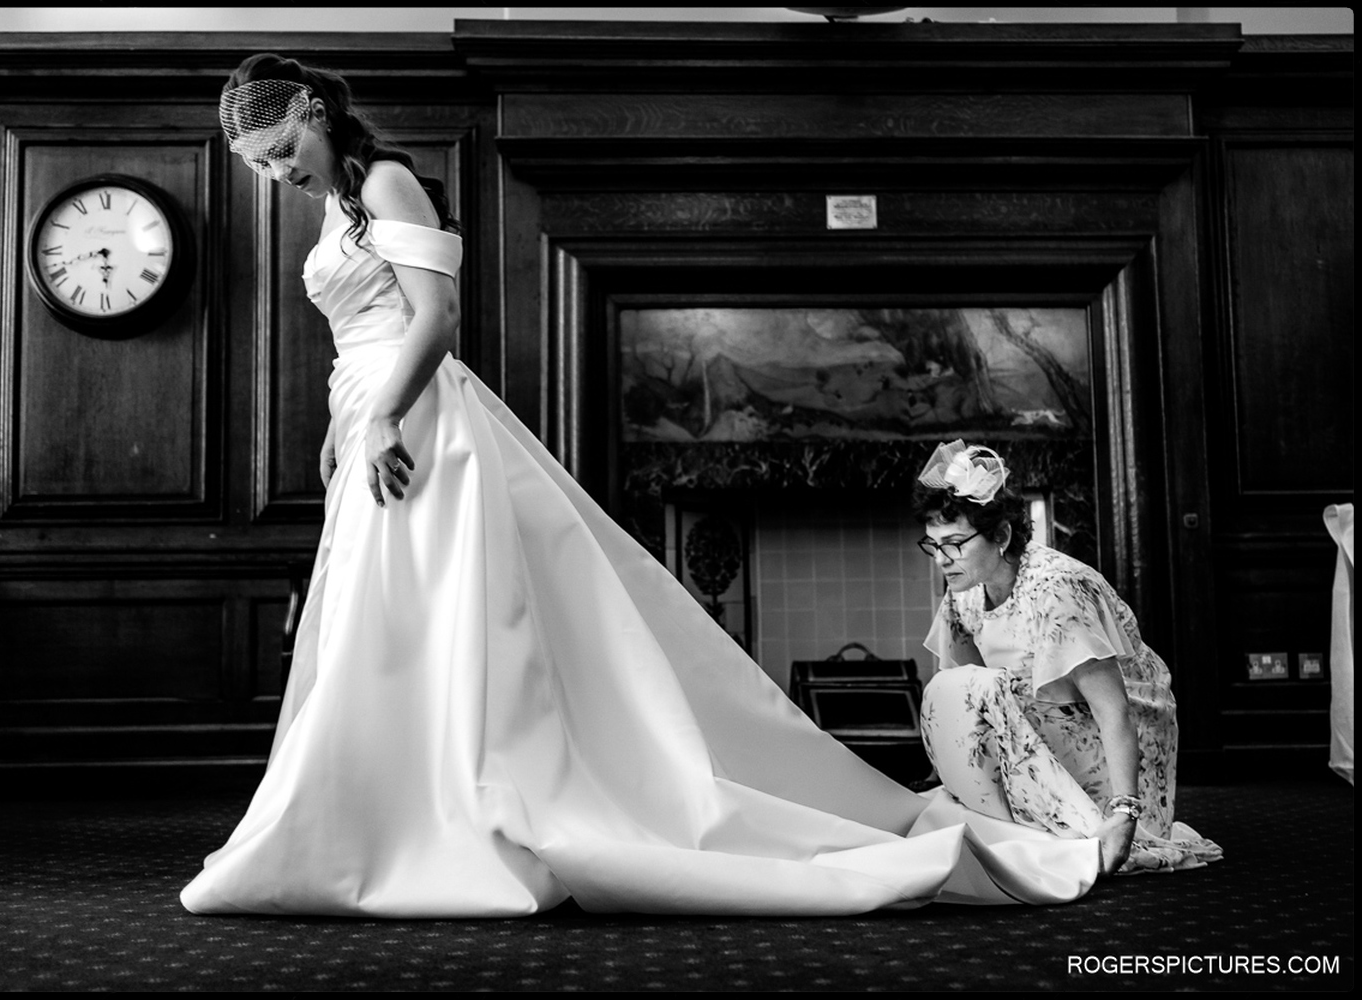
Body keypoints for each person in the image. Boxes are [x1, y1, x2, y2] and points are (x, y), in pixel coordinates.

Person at [181, 54, 1104, 918]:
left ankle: (451, 814)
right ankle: (387, 816)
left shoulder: (383, 180)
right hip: (376, 414)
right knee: (381, 625)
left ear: (313, 113)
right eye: (259, 166)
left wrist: (381, 415)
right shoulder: (337, 202)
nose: (275, 175)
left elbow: (438, 316)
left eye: (280, 153)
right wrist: (344, 426)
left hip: (417, 418)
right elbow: (364, 329)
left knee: (433, 616)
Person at [912, 440, 1222, 875]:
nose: (943, 559)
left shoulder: (1058, 591)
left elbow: (1113, 710)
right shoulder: (965, 589)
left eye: (956, 543)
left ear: (1000, 536)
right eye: (934, 544)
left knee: (985, 689)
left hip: (1121, 734)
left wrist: (1124, 813)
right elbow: (955, 694)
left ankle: (1095, 811)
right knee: (958, 686)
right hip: (1047, 712)